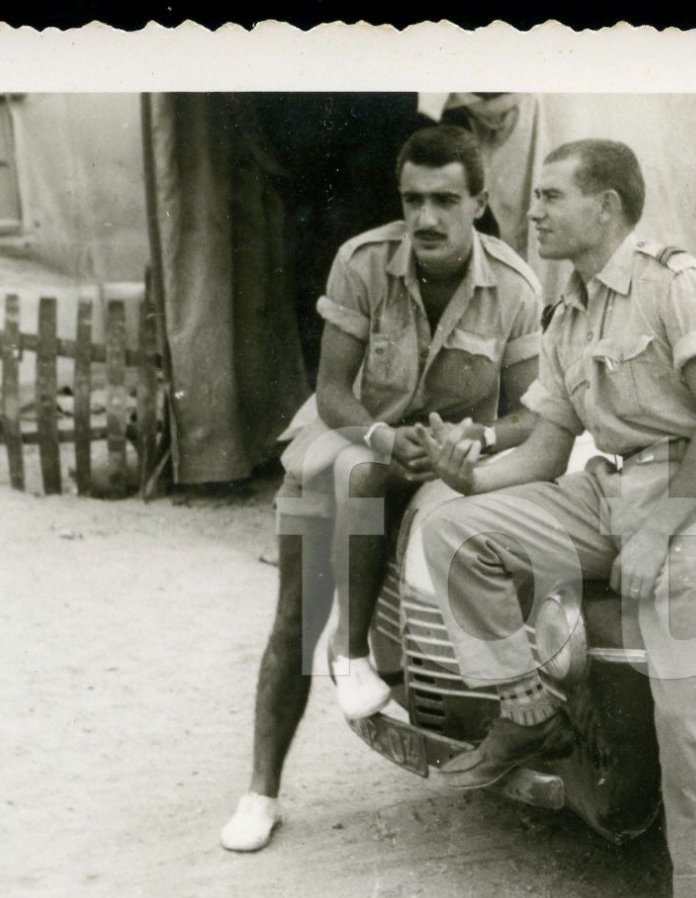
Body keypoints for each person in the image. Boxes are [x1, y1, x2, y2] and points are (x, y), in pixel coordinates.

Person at [415, 139, 696, 898]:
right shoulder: (566, 312)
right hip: (608, 492)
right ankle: (526, 707)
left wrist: (660, 530)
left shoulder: (673, 281)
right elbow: (540, 451)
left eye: (549, 197)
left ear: (606, 206)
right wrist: (464, 476)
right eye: (533, 199)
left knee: (689, 715)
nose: (530, 212)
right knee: (454, 529)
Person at [220, 125, 543, 853]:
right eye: (412, 200)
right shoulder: (362, 262)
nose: (426, 218)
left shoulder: (518, 287)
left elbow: (531, 413)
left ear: (480, 202)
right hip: (350, 445)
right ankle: (261, 789)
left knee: (482, 581)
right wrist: (379, 437)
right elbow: (333, 390)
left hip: (440, 468)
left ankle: (470, 731)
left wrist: (477, 439)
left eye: (445, 200)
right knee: (295, 621)